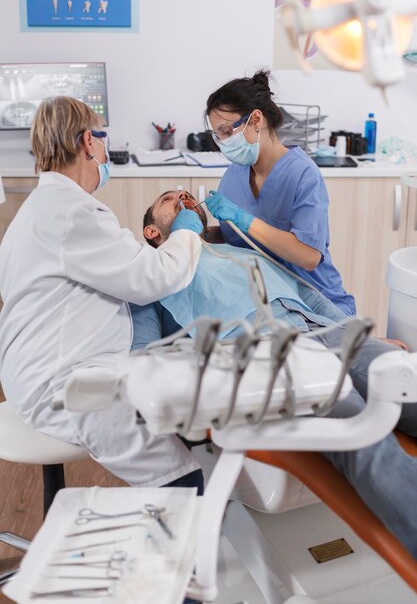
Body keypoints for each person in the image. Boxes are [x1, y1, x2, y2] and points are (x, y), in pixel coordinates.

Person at [130, 189, 417, 560]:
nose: (183, 198)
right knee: (362, 432)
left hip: (326, 332)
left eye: (186, 195)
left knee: (409, 391)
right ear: (152, 232)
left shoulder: (243, 252)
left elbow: (310, 297)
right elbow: (144, 358)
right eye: (169, 200)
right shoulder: (151, 275)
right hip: (269, 351)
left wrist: (362, 335)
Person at [0, 96, 205, 491]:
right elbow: (154, 276)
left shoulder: (44, 208)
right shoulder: (72, 213)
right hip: (61, 384)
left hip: (35, 368)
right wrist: (187, 228)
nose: (105, 149)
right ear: (87, 143)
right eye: (103, 138)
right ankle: (175, 544)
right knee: (182, 479)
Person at [203, 69, 355, 317]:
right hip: (273, 302)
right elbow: (241, 235)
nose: (222, 141)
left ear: (256, 120)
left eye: (227, 131)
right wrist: (198, 232)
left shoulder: (303, 174)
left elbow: (308, 256)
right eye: (216, 134)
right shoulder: (234, 174)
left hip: (318, 302)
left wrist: (243, 218)